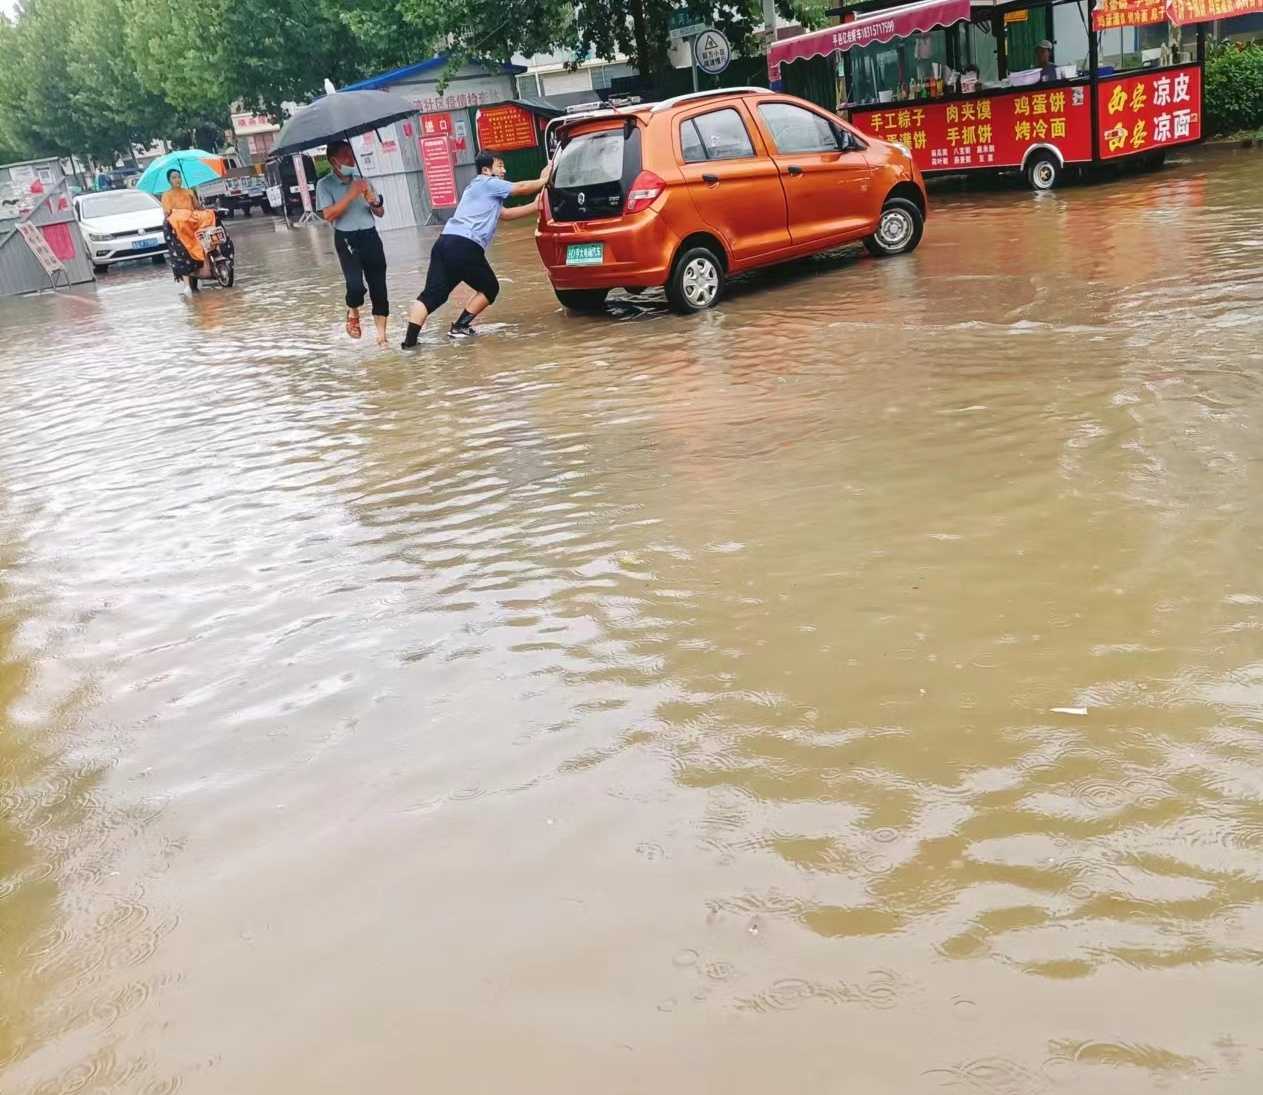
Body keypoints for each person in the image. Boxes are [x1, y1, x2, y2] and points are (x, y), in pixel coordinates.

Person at [401, 152, 550, 347]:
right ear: (486, 170)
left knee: (431, 295)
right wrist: (544, 179)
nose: (504, 170)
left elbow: (505, 214)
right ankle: (459, 327)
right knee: (490, 288)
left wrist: (535, 206)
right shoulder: (487, 182)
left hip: (444, 243)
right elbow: (521, 188)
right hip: (465, 245)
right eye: (500, 166)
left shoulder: (479, 189)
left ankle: (409, 344)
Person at [316, 140, 389, 347]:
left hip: (370, 236)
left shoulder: (363, 181)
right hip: (346, 239)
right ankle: (353, 309)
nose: (351, 159)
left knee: (379, 287)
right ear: (334, 161)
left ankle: (382, 337)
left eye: (351, 153)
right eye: (345, 155)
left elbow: (380, 213)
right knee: (355, 287)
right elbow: (329, 214)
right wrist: (351, 194)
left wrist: (373, 201)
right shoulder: (325, 185)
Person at [161, 168, 219, 290]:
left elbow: (197, 207)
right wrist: (180, 215)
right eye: (174, 177)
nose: (177, 179)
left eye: (179, 177)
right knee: (181, 247)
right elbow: (167, 213)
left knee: (211, 216)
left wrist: (203, 207)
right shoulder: (166, 195)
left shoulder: (189, 192)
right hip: (179, 226)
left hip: (193, 222)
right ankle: (188, 281)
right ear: (169, 180)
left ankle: (216, 256)